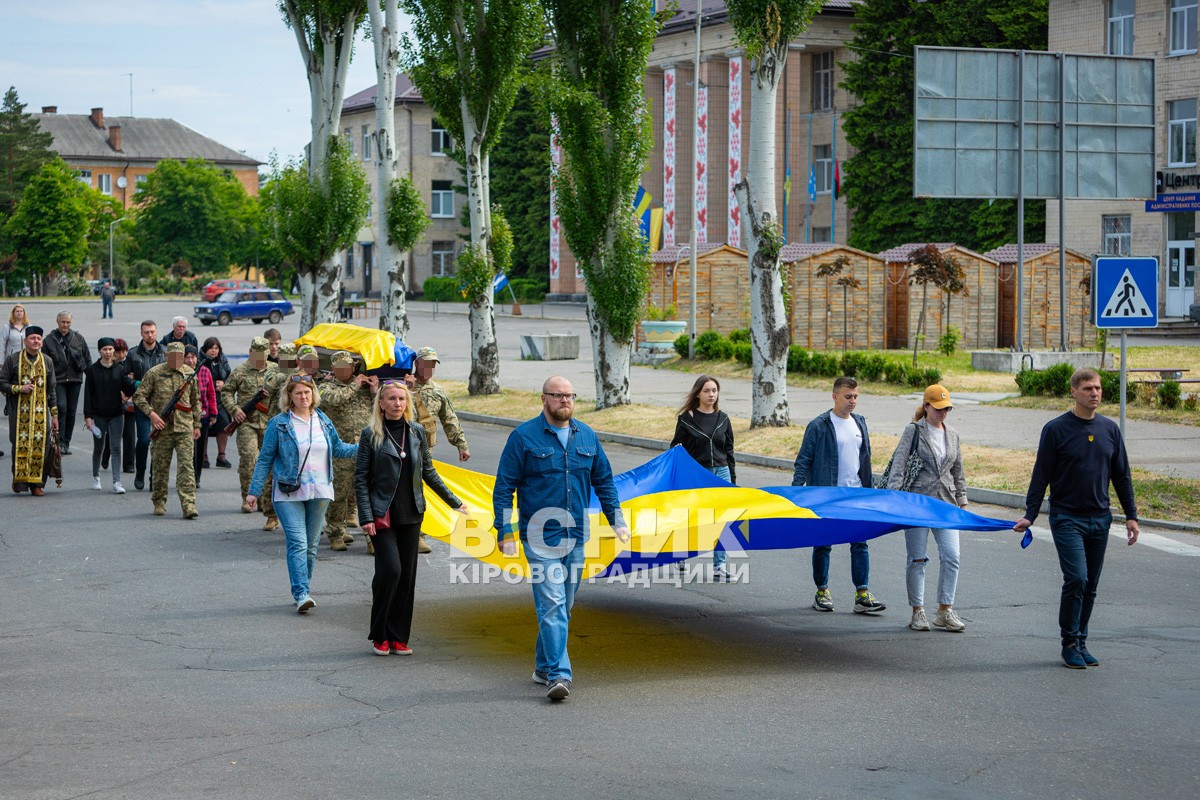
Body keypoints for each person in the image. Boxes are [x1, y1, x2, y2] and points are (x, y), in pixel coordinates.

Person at [492, 376, 630, 702]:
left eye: (569, 395)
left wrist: (617, 520)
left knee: (563, 606)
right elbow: (503, 489)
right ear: (544, 399)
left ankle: (542, 667)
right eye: (558, 395)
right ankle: (559, 675)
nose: (565, 400)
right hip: (538, 538)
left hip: (577, 536)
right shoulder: (523, 438)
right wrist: (505, 531)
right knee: (552, 604)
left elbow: (605, 482)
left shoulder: (587, 436)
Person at [1014, 369, 1139, 670]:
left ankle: (1081, 641)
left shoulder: (1110, 430)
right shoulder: (1056, 429)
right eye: (1087, 388)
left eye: (1097, 388)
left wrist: (1131, 516)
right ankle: (1069, 642)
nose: (1094, 393)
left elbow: (1122, 476)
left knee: (1091, 584)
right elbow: (1040, 475)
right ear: (1073, 392)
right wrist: (1031, 514)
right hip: (1067, 517)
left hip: (1100, 518)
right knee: (1077, 579)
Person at [356, 381, 466, 655]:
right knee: (390, 571)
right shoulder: (370, 434)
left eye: (401, 399)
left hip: (411, 513)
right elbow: (360, 479)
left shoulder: (416, 432)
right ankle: (379, 634)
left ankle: (398, 636)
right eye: (391, 399)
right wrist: (366, 516)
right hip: (382, 515)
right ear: (381, 403)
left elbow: (428, 472)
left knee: (406, 578)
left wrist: (454, 501)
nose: (397, 404)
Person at [247, 374, 358, 613]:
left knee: (311, 545)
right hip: (288, 491)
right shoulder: (279, 423)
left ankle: (303, 588)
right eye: (298, 393)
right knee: (298, 542)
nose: (303, 397)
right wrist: (254, 491)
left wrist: (365, 446)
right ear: (289, 396)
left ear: (313, 394)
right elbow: (265, 458)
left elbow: (338, 448)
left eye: (307, 392)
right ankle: (301, 593)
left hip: (320, 490)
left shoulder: (323, 420)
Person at [791, 376, 886, 615]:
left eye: (855, 397)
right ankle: (822, 591)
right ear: (834, 396)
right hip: (827, 495)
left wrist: (869, 492)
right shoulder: (819, 425)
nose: (852, 401)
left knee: (860, 542)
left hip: (855, 495)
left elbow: (864, 460)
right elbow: (804, 460)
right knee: (823, 544)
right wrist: (796, 493)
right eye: (847, 397)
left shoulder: (860, 423)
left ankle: (862, 595)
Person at [887, 385, 967, 633]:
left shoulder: (952, 434)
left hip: (945, 503)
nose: (944, 412)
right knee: (917, 559)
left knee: (952, 556)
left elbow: (958, 471)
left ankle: (945, 610)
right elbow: (899, 464)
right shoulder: (914, 431)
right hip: (916, 504)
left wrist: (962, 500)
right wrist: (895, 498)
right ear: (927, 407)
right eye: (939, 408)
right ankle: (917, 611)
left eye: (947, 408)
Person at [670, 374, 737, 577]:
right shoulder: (687, 419)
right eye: (707, 390)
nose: (711, 395)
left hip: (721, 472)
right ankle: (680, 555)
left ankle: (719, 565)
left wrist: (732, 480)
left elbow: (729, 451)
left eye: (714, 391)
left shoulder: (723, 419)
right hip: (697, 474)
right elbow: (675, 449)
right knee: (693, 518)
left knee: (723, 518)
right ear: (698, 393)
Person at [407, 346, 470, 554]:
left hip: (424, 451)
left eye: (433, 364)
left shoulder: (437, 391)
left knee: (419, 492)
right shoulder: (403, 385)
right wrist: (407, 389)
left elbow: (449, 419)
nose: (429, 368)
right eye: (426, 363)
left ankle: (418, 535)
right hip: (398, 447)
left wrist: (461, 444)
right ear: (417, 363)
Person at [134, 342, 201, 518]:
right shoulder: (155, 373)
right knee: (160, 466)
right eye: (173, 357)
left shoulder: (189, 373)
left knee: (186, 466)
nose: (177, 360)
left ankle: (188, 504)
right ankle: (159, 501)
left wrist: (197, 425)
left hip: (184, 427)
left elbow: (196, 401)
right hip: (162, 428)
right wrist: (152, 415)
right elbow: (139, 397)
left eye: (180, 356)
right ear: (166, 356)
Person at [321, 350, 377, 551]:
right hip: (340, 449)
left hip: (365, 448)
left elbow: (381, 408)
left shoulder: (363, 388)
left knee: (368, 492)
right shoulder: (326, 387)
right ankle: (336, 532)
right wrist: (355, 385)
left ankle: (371, 537)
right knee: (340, 492)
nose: (345, 370)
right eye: (340, 367)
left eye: (348, 366)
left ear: (353, 367)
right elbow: (334, 400)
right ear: (334, 369)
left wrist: (374, 391)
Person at [220, 337, 278, 529]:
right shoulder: (240, 371)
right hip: (246, 422)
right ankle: (248, 497)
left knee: (268, 463)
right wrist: (234, 409)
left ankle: (266, 502)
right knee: (248, 459)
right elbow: (226, 392)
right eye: (256, 354)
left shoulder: (274, 369)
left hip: (269, 422)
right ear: (251, 352)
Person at [1, 325, 59, 495]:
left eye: (39, 339)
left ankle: (37, 485)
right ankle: (19, 482)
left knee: (43, 446)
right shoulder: (13, 360)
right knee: (19, 445)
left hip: (41, 414)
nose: (36, 341)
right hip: (18, 413)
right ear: (25, 341)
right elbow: (1, 382)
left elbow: (52, 389)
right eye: (32, 338)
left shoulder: (47, 361)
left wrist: (54, 415)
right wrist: (20, 389)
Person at [42, 311, 90, 455]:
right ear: (57, 322)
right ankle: (60, 442)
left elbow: (87, 360)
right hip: (58, 380)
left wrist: (94, 380)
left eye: (68, 322)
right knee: (61, 408)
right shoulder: (49, 340)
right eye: (63, 322)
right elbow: (44, 362)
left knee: (71, 412)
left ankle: (66, 442)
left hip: (75, 380)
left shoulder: (78, 338)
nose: (65, 325)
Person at [83, 337, 127, 494]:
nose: (108, 352)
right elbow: (88, 394)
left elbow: (127, 387)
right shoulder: (92, 370)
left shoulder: (120, 369)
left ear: (113, 350)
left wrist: (134, 387)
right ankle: (96, 477)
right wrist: (88, 417)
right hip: (98, 414)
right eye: (105, 349)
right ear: (99, 351)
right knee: (99, 447)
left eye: (110, 349)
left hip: (116, 413)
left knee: (116, 447)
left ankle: (117, 481)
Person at [128, 320, 166, 491]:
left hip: (162, 403)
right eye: (146, 332)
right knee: (144, 440)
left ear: (156, 332)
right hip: (142, 402)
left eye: (152, 332)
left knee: (159, 442)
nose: (149, 335)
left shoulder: (165, 352)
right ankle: (140, 472)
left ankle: (154, 477)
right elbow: (124, 378)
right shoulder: (133, 354)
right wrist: (135, 383)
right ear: (141, 333)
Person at [102, 338, 137, 476]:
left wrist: (128, 394)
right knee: (112, 433)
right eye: (117, 352)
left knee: (129, 434)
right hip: (113, 404)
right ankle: (105, 456)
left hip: (129, 403)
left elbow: (134, 381)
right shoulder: (109, 366)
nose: (121, 355)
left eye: (123, 351)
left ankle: (129, 464)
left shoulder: (131, 364)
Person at [185, 345, 218, 490]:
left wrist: (213, 413)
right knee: (187, 448)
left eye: (193, 357)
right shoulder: (181, 373)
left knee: (199, 449)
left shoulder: (205, 372)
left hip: (203, 415)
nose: (191, 360)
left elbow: (211, 394)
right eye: (188, 357)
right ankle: (187, 476)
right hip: (185, 416)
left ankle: (197, 476)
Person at [199, 337, 232, 469]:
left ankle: (221, 455)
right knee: (205, 426)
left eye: (216, 348)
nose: (213, 351)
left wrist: (224, 384)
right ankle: (204, 456)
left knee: (224, 424)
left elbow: (230, 377)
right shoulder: (200, 361)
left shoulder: (223, 360)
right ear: (205, 349)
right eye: (211, 348)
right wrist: (212, 385)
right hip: (205, 399)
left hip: (220, 398)